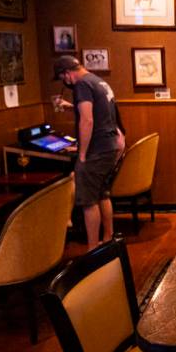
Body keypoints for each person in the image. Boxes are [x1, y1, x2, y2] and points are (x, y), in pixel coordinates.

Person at [52, 55, 125, 250]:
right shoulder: (98, 81)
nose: (64, 82)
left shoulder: (82, 85)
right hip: (110, 146)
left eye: (62, 78)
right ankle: (108, 239)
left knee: (88, 201)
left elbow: (87, 120)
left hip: (97, 149)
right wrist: (71, 107)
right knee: (103, 193)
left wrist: (82, 154)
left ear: (67, 74)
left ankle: (92, 250)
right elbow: (101, 112)